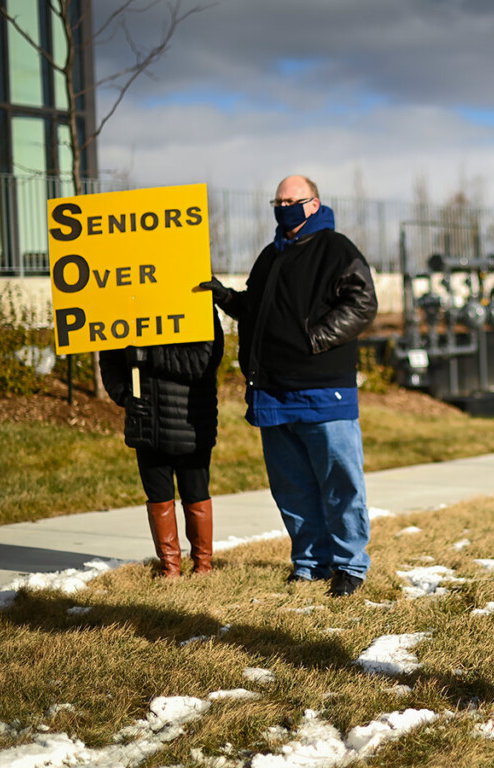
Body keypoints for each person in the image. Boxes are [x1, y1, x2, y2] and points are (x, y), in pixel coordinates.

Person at [197, 174, 378, 597]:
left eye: (291, 200)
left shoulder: (336, 249)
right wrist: (225, 297)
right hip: (272, 392)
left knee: (340, 482)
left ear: (314, 204)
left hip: (323, 390)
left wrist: (313, 339)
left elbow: (363, 303)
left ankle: (350, 565)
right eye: (277, 202)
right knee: (292, 486)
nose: (283, 208)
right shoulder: (270, 255)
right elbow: (256, 309)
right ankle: (310, 562)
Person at [100, 308, 224, 579]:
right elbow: (109, 362)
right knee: (158, 496)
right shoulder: (125, 307)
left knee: (196, 493)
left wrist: (150, 355)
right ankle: (170, 568)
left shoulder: (196, 304)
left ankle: (203, 566)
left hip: (190, 424)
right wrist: (124, 395)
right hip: (146, 422)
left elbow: (202, 361)